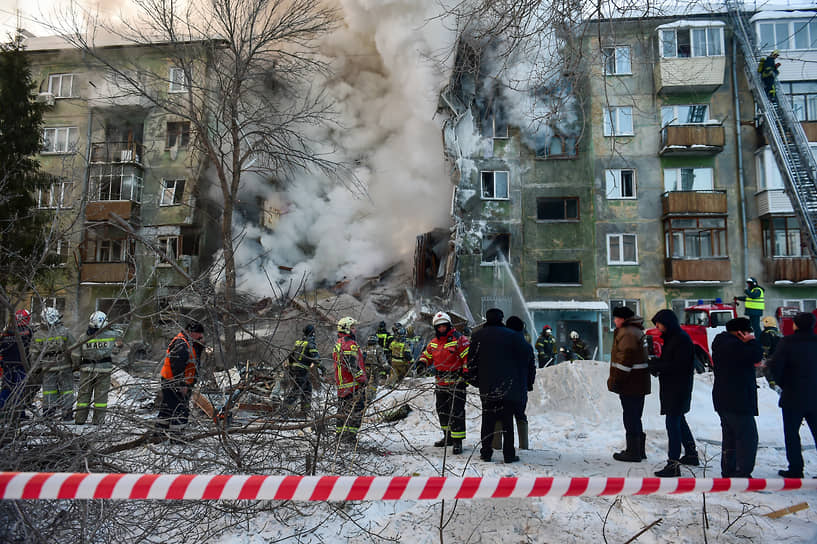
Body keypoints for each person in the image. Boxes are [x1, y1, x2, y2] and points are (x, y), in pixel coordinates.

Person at [468, 308, 529, 463]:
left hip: (486, 386)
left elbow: (471, 362)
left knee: (487, 419)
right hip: (507, 386)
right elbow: (525, 355)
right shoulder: (513, 336)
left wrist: (476, 381)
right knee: (507, 421)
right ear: (501, 318)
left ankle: (486, 452)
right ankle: (509, 454)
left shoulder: (477, 336)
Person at [766, 312, 817, 478]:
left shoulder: (787, 342)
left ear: (795, 325)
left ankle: (796, 468)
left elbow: (776, 366)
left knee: (792, 434)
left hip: (793, 395)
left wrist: (783, 383)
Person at [649, 310, 699, 477]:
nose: (657, 327)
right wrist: (657, 363)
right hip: (676, 387)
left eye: (659, 323)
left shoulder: (680, 340)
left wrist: (656, 366)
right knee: (679, 421)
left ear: (667, 322)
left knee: (673, 424)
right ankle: (691, 454)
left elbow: (677, 365)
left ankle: (673, 464)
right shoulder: (674, 338)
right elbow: (669, 362)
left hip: (677, 388)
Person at [711, 317, 763, 478]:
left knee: (730, 437)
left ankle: (728, 470)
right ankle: (743, 473)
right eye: (749, 332)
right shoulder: (735, 346)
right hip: (738, 399)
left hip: (724, 398)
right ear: (741, 332)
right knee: (747, 437)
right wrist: (753, 341)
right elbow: (756, 356)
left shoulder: (722, 343)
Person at [419, 311, 470, 454]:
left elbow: (468, 357)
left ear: (449, 325)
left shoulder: (460, 339)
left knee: (457, 412)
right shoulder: (434, 342)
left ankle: (457, 442)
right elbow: (427, 355)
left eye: (444, 326)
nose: (441, 329)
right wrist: (422, 363)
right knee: (442, 411)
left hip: (456, 382)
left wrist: (465, 372)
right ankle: (447, 437)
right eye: (439, 327)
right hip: (440, 382)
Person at [607, 306, 650, 463]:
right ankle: (638, 450)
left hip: (631, 383)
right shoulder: (635, 330)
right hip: (638, 382)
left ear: (623, 319)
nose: (614, 321)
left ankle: (633, 452)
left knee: (630, 416)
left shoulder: (628, 333)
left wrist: (616, 381)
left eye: (616, 318)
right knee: (635, 416)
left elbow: (625, 360)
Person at [157, 321, 204, 437]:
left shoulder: (188, 342)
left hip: (172, 381)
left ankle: (161, 432)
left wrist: (200, 345)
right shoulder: (181, 345)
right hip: (174, 382)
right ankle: (176, 435)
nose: (201, 336)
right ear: (191, 332)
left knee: (168, 407)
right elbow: (177, 367)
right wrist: (181, 385)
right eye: (199, 334)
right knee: (180, 409)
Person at [75, 311, 121, 425]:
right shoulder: (112, 335)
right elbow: (120, 334)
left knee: (83, 395)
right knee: (101, 396)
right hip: (104, 369)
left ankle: (80, 419)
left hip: (86, 369)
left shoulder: (83, 337)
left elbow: (75, 355)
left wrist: (76, 366)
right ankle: (98, 421)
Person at [31, 307, 76, 421]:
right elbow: (74, 350)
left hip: (47, 367)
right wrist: (76, 365)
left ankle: (48, 414)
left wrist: (36, 368)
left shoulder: (38, 335)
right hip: (64, 366)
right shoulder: (65, 331)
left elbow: (34, 355)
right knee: (67, 389)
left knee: (49, 390)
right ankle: (67, 413)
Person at [333, 316, 367, 442]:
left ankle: (340, 436)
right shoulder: (350, 344)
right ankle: (350, 437)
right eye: (352, 328)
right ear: (346, 329)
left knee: (342, 412)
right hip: (353, 385)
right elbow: (352, 365)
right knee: (356, 410)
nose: (355, 330)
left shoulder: (339, 343)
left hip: (343, 386)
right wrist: (362, 379)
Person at [505, 315, 536, 450]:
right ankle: (524, 444)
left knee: (501, 417)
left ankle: (497, 444)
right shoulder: (526, 346)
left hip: (504, 386)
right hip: (520, 386)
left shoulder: (502, 344)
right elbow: (531, 368)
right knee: (520, 415)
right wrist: (529, 384)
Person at [0, 310, 33, 419]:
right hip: (21, 365)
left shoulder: (6, 332)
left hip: (7, 365)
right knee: (20, 390)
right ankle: (19, 414)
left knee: (6, 388)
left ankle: (2, 411)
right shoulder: (28, 332)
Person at [284, 324, 321, 416]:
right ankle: (283, 410)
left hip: (295, 369)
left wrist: (291, 369)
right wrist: (323, 368)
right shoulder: (310, 343)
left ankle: (305, 411)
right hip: (302, 370)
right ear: (312, 333)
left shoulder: (299, 342)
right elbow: (316, 359)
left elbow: (291, 357)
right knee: (296, 391)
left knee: (307, 389)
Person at [362, 333, 388, 406]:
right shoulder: (378, 348)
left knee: (364, 382)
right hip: (375, 368)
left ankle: (361, 396)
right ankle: (369, 398)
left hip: (365, 367)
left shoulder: (365, 348)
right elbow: (382, 359)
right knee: (373, 383)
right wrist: (386, 366)